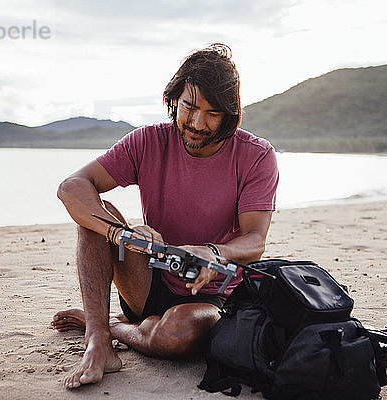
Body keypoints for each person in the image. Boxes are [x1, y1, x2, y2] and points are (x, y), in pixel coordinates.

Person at [51, 43, 279, 389]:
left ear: (230, 114)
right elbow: (73, 186)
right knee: (96, 218)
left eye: (212, 113)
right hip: (147, 281)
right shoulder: (148, 141)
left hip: (211, 295)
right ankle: (98, 342)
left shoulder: (257, 156)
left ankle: (112, 327)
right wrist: (123, 234)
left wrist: (213, 252)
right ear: (175, 99)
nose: (197, 123)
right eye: (189, 107)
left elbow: (254, 240)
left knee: (176, 335)